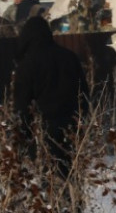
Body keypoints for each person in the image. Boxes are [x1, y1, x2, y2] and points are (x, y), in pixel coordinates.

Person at [12, 15, 87, 180]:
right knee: (71, 177)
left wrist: (22, 136)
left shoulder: (27, 64)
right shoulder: (69, 57)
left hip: (43, 130)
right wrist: (83, 121)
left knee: (50, 180)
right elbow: (84, 94)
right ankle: (74, 204)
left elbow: (21, 105)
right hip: (72, 126)